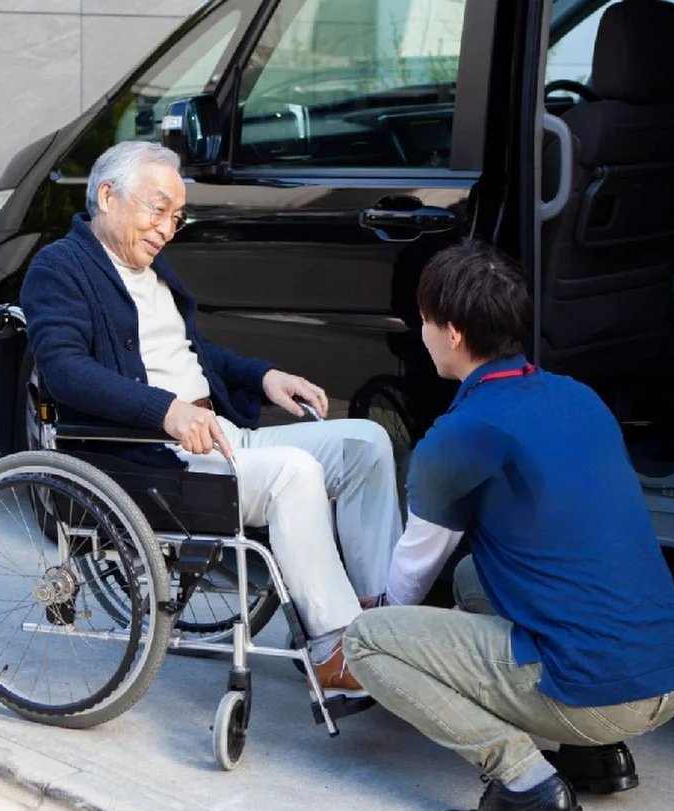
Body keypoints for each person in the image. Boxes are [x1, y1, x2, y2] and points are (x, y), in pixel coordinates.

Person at [20, 140, 402, 694]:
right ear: (107, 196)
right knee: (295, 472)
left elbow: (196, 350)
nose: (167, 228)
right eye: (157, 209)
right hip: (150, 460)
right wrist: (165, 411)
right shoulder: (60, 268)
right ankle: (334, 645)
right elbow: (65, 370)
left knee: (365, 442)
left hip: (218, 438)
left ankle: (375, 616)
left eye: (176, 216)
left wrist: (265, 376)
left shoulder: (153, 271)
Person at [343, 240, 674, 811]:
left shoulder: (462, 432)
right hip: (668, 674)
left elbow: (410, 574)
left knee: (369, 640)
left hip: (596, 693)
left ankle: (526, 785)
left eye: (423, 321)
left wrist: (376, 616)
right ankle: (597, 759)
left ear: (451, 333)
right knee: (472, 576)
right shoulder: (577, 397)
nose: (421, 333)